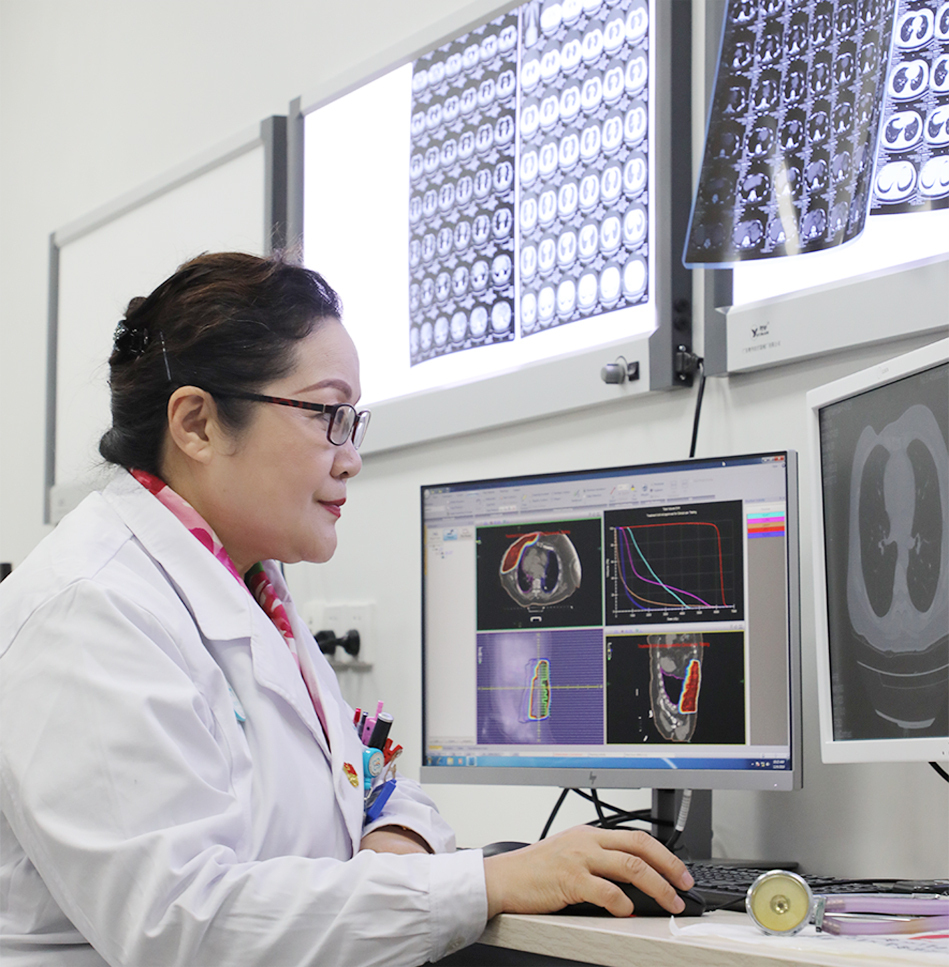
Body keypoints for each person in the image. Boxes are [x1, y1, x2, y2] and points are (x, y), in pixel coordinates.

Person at [0, 253, 694, 967]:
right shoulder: (87, 609)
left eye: (352, 421)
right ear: (198, 424)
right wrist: (482, 882)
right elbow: (181, 926)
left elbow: (368, 784)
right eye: (327, 415)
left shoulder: (251, 591)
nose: (351, 458)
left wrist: (397, 845)